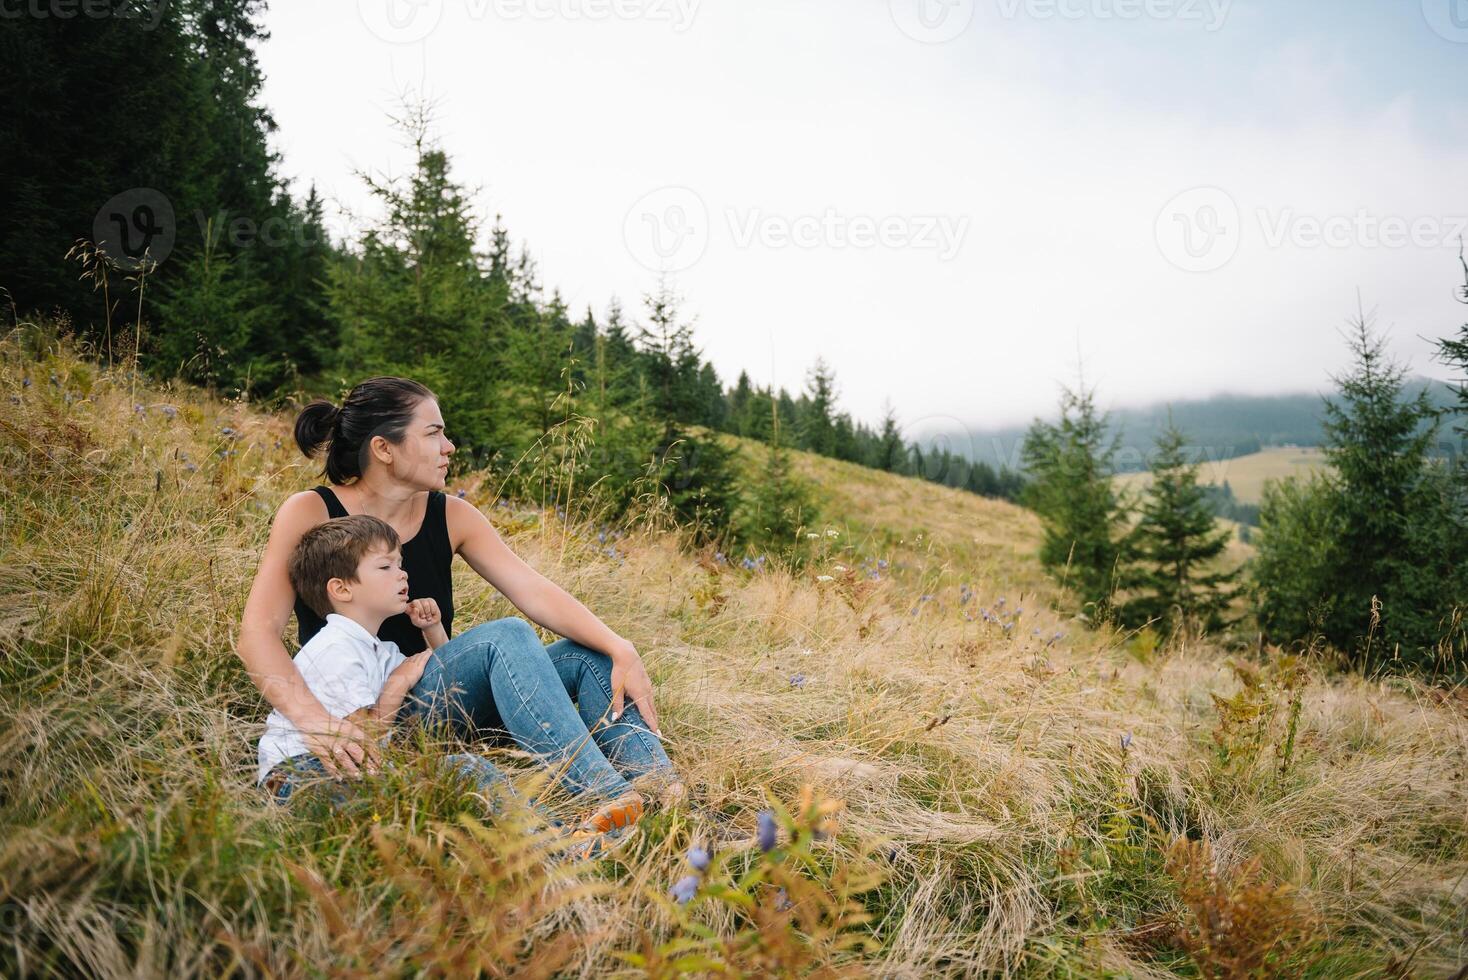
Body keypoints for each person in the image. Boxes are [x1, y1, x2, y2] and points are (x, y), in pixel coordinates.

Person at [236, 376, 680, 835]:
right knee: (503, 637)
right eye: (433, 433)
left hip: (444, 703)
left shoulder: (452, 514)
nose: (449, 447)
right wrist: (317, 723)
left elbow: (532, 589)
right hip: (366, 718)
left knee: (592, 655)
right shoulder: (311, 511)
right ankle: (609, 802)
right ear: (384, 448)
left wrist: (620, 646)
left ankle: (665, 798)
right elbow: (257, 634)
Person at [257, 514, 511, 809]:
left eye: (400, 565)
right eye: (385, 566)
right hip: (300, 774)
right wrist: (397, 683)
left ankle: (559, 840)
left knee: (467, 769)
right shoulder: (335, 647)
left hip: (348, 769)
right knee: (466, 772)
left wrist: (432, 629)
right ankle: (559, 846)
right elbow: (364, 738)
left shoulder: (381, 649)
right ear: (341, 589)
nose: (402, 574)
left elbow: (445, 676)